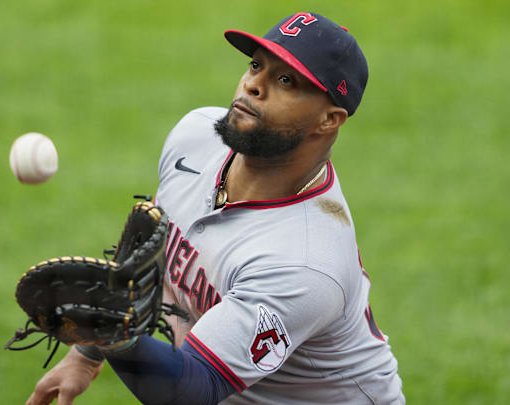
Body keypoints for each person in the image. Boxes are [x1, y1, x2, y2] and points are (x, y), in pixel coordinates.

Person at [26, 12, 404, 405]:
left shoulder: (305, 262)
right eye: (257, 65)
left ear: (329, 120)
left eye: (286, 80)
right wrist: (86, 355)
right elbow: (154, 245)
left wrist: (110, 336)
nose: (254, 84)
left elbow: (193, 389)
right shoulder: (196, 135)